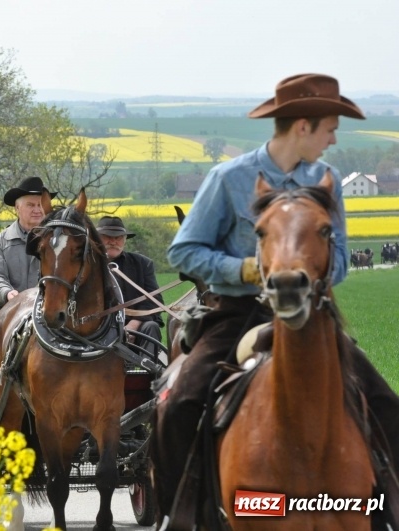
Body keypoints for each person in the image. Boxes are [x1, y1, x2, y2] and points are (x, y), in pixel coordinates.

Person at [159, 73, 399, 516]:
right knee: (181, 403)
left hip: (313, 315)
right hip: (236, 313)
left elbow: (341, 257)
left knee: (385, 403)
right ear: (303, 127)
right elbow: (184, 250)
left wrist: (311, 271)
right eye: (329, 128)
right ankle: (179, 517)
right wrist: (245, 269)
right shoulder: (228, 177)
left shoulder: (326, 178)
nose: (332, 140)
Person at [96, 216, 164, 356]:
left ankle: (148, 375)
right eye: (107, 237)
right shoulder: (86, 265)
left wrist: (134, 324)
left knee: (151, 327)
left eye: (119, 237)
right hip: (96, 329)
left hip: (135, 326)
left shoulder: (143, 264)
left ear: (125, 240)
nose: (113, 241)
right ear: (97, 239)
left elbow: (154, 300)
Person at [0, 177, 57, 309]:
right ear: (17, 208)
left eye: (40, 205)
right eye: (31, 205)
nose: (37, 210)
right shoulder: (0, 241)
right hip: (10, 312)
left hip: (50, 310)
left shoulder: (59, 240)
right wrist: (7, 293)